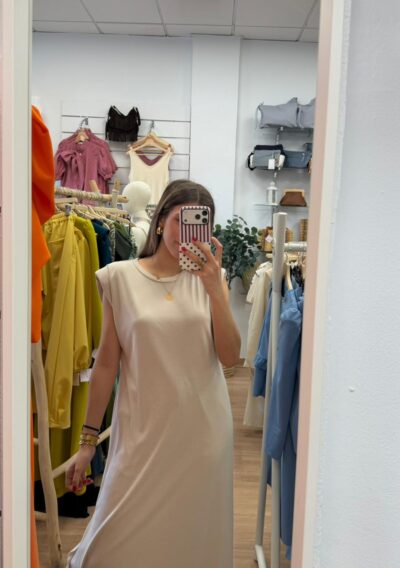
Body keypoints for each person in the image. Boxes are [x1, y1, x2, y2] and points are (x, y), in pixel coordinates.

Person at [66, 179, 241, 568]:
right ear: (160, 221)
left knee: (189, 544)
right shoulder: (119, 277)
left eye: (199, 223)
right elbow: (106, 363)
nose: (185, 233)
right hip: (140, 434)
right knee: (106, 546)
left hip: (202, 437)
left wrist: (214, 289)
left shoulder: (212, 281)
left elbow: (230, 356)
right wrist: (88, 441)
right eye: (180, 220)